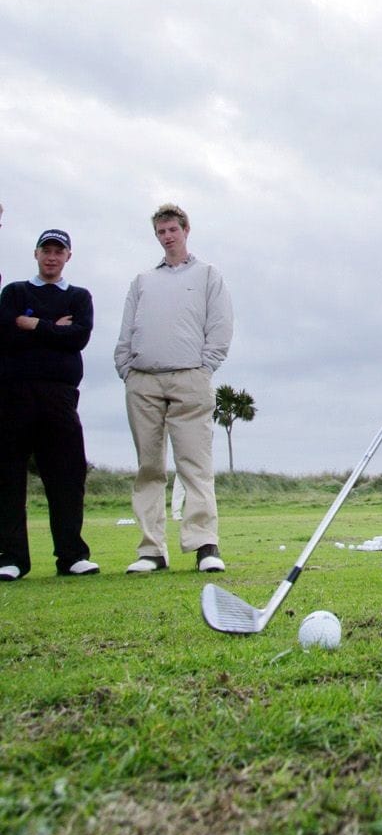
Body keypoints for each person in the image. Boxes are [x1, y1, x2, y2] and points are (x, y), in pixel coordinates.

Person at [114, 204, 233, 574]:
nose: (167, 237)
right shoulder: (143, 280)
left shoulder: (208, 275)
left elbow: (221, 325)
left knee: (194, 465)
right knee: (149, 467)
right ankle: (151, 550)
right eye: (161, 232)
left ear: (185, 230)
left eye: (172, 230)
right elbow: (126, 329)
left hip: (189, 379)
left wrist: (204, 367)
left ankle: (204, 545)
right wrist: (126, 368)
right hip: (144, 380)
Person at [0, 229, 99, 580]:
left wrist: (33, 325)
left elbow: (78, 337)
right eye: (46, 250)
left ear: (68, 256)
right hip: (14, 397)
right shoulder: (14, 292)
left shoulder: (78, 297)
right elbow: (7, 335)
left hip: (60, 398)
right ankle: (11, 558)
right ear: (36, 253)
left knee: (67, 477)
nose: (52, 257)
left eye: (59, 251)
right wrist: (52, 329)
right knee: (9, 478)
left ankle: (71, 556)